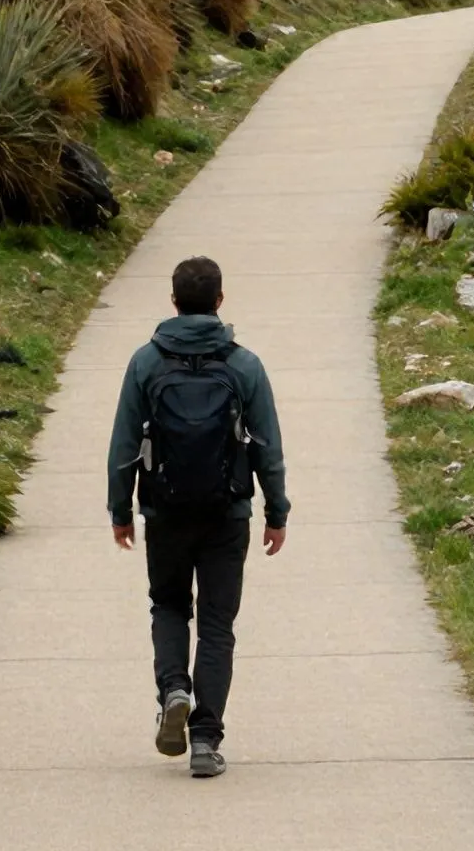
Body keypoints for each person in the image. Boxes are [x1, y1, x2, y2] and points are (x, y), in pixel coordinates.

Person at [107, 256, 288, 779]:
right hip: (227, 511)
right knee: (216, 624)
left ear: (173, 302)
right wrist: (276, 510)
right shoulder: (244, 365)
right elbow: (268, 447)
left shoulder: (146, 362)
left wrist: (120, 509)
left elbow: (123, 443)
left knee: (167, 604)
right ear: (219, 301)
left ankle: (173, 690)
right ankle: (205, 741)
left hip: (164, 508)